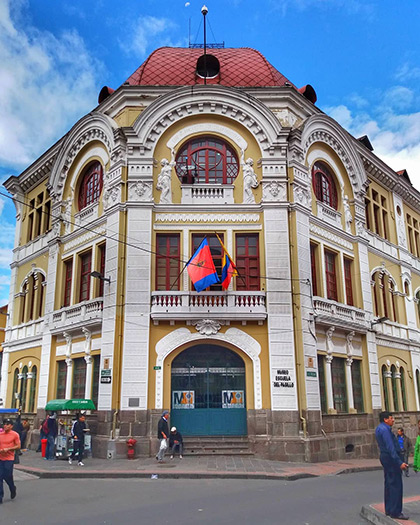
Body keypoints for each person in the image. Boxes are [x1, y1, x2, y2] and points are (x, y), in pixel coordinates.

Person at [375, 411, 409, 520]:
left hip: (385, 457)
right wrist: (399, 462)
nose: (393, 420)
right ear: (385, 419)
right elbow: (391, 448)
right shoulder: (385, 430)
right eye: (391, 418)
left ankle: (389, 509)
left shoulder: (380, 428)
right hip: (391, 458)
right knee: (396, 484)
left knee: (389, 484)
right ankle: (396, 511)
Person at [0, 418, 21, 504]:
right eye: (4, 424)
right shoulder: (0, 435)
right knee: (0, 477)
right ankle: (0, 496)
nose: (5, 426)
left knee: (7, 475)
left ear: (11, 426)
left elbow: (18, 446)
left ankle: (12, 488)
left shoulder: (15, 435)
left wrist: (8, 448)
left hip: (9, 458)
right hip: (0, 458)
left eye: (8, 424)